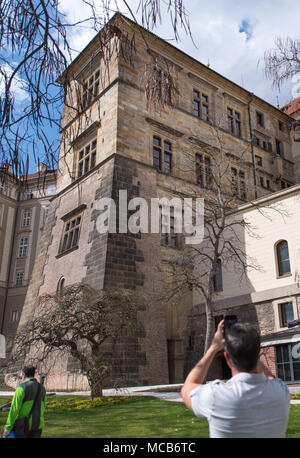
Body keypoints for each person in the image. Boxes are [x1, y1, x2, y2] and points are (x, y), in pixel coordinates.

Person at [181, 320, 290, 438]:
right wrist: (249, 352)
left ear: (227, 358)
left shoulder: (216, 396)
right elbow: (271, 378)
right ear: (257, 354)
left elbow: (188, 387)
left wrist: (213, 348)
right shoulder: (281, 392)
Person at [3, 365, 47, 438]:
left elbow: (14, 409)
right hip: (38, 426)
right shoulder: (42, 388)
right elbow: (43, 406)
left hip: (23, 427)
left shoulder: (21, 388)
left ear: (23, 375)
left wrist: (8, 427)